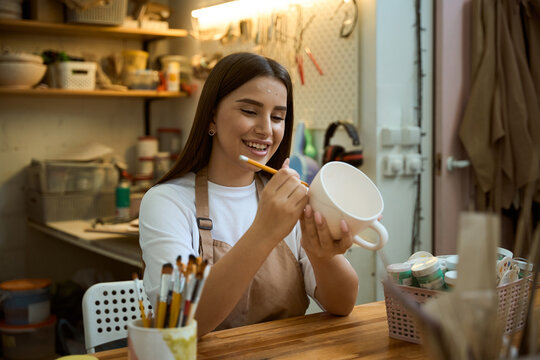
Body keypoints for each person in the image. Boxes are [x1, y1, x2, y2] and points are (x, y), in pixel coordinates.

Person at [139, 52, 359, 337]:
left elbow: (342, 305)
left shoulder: (289, 197)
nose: (266, 129)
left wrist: (323, 256)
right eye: (250, 111)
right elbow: (183, 322)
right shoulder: (167, 202)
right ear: (211, 117)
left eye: (278, 116)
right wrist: (265, 231)